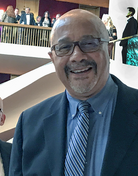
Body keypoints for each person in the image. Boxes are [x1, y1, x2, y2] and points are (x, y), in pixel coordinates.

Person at [9, 9, 138, 176]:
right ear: (53, 58)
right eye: (64, 47)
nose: (77, 56)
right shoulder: (30, 123)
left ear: (109, 48)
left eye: (90, 43)